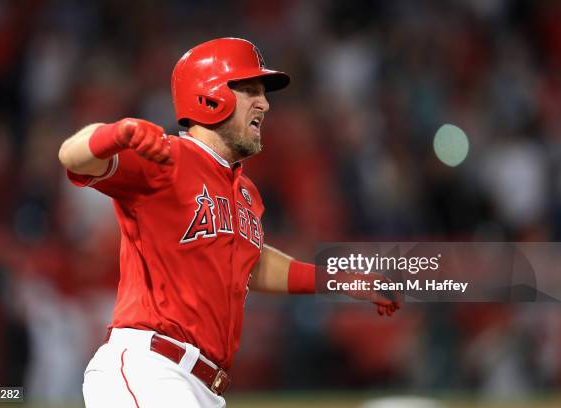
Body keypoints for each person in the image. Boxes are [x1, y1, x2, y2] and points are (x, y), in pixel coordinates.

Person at [58, 37, 400, 408]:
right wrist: (115, 134)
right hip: (151, 368)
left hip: (201, 385)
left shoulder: (245, 192)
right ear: (209, 96)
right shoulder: (167, 158)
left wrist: (332, 278)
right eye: (250, 90)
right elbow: (72, 158)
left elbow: (250, 262)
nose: (265, 104)